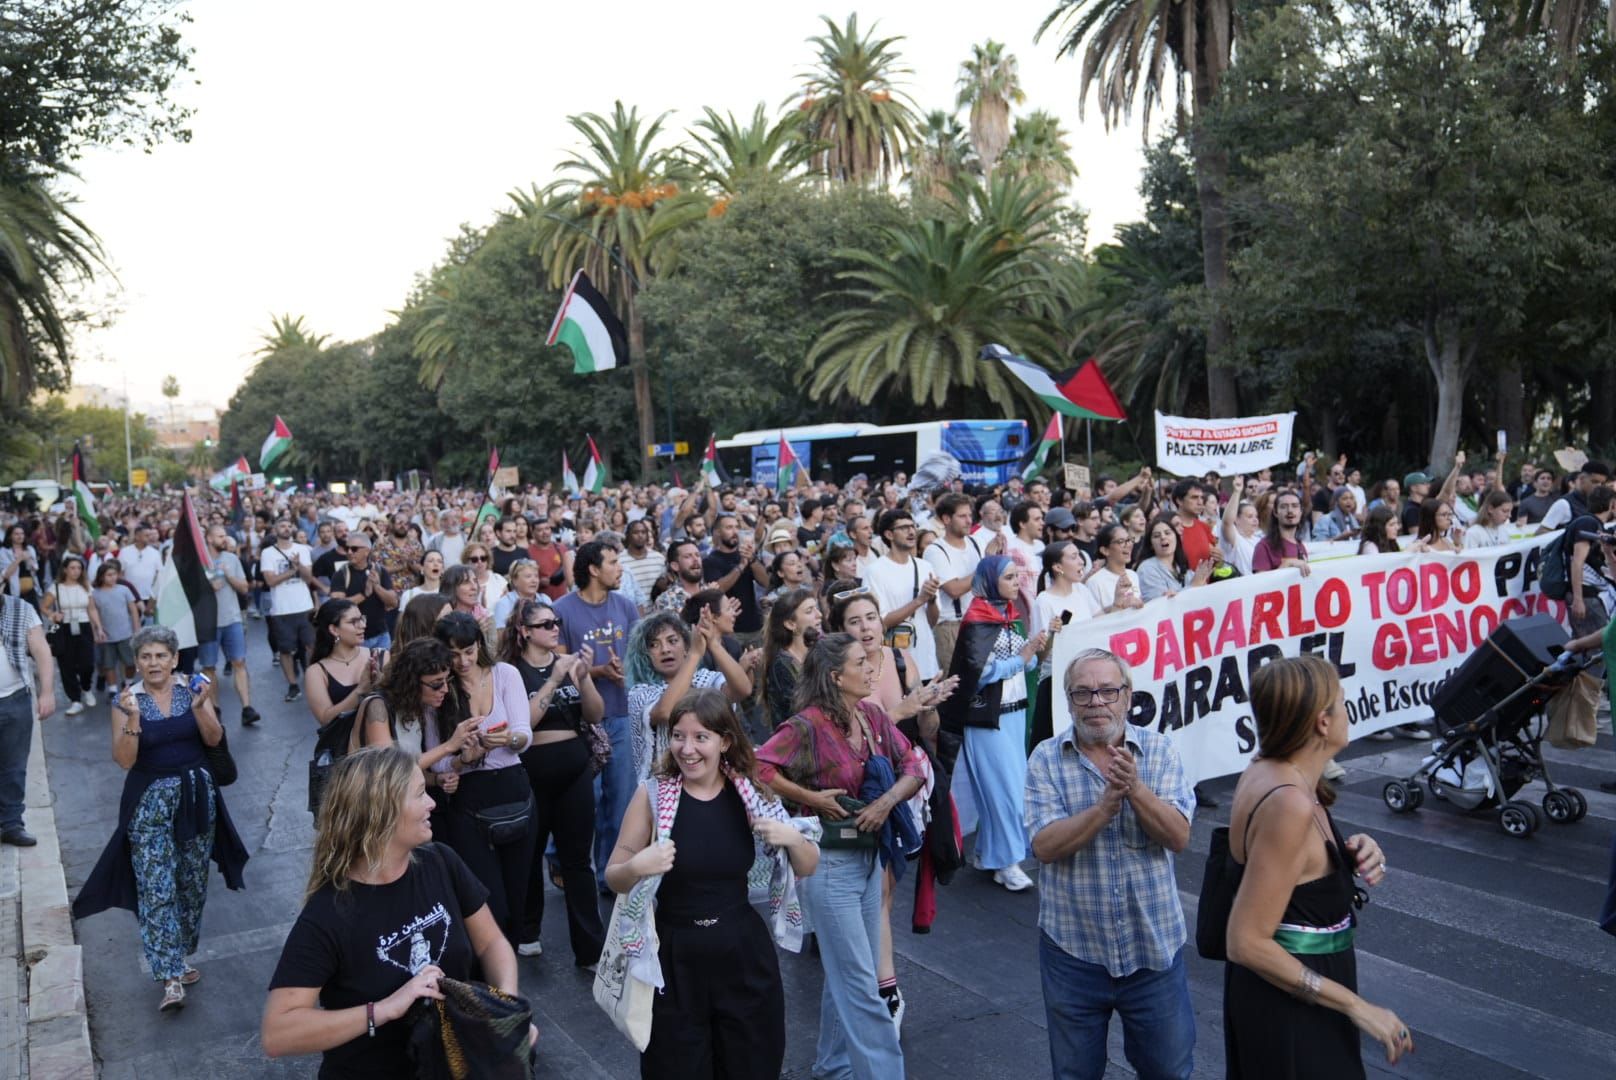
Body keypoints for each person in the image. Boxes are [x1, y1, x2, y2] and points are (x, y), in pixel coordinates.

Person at [262, 747, 533, 1076]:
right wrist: (385, 1009)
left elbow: (491, 943)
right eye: (420, 794)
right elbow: (278, 1033)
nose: (432, 803)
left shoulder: (441, 862)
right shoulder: (329, 913)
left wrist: (502, 1016)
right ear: (382, 811)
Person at [608, 687, 819, 1080]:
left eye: (700, 737)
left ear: (725, 741)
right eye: (678, 736)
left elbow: (808, 865)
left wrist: (792, 838)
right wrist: (637, 865)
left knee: (752, 1067)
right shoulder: (651, 795)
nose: (687, 749)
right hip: (674, 959)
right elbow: (614, 875)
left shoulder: (750, 793)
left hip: (742, 954)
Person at [1224, 655, 1408, 1076]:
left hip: (1288, 996)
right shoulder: (1289, 802)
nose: (1348, 708)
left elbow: (1286, 864)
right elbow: (1245, 941)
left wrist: (1344, 853)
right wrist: (1357, 1006)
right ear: (1323, 722)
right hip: (1290, 1005)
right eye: (1341, 700)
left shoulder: (1272, 770)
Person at [757, 634, 925, 1080]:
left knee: (850, 974)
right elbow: (759, 767)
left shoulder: (871, 715)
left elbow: (913, 766)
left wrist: (886, 802)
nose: (872, 668)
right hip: (829, 865)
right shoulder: (806, 726)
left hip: (868, 860)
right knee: (861, 986)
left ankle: (833, 1067)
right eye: (861, 662)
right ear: (836, 676)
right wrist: (809, 796)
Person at [1025, 648, 1195, 1080]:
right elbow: (1044, 845)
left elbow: (1178, 837)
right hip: (1074, 952)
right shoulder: (1046, 758)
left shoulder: (1159, 750)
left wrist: (1135, 790)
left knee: (1169, 1072)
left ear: (1128, 696)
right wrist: (1103, 810)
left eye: (1107, 691)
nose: (1096, 702)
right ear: (1068, 701)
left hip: (1153, 951)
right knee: (1075, 1073)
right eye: (1082, 693)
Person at [73, 625, 247, 1011]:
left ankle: (178, 954)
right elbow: (124, 760)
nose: (153, 663)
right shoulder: (124, 701)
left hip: (196, 797)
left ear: (174, 659)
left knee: (190, 883)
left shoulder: (193, 690)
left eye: (160, 656)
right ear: (137, 662)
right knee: (156, 887)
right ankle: (169, 975)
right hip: (148, 803)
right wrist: (134, 719)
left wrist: (201, 708)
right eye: (146, 657)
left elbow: (214, 739)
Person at [501, 597, 606, 966]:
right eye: (545, 624)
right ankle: (527, 932)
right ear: (525, 631)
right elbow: (523, 724)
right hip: (531, 774)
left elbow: (595, 714)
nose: (554, 629)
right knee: (528, 856)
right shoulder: (512, 672)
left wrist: (584, 677)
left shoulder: (568, 663)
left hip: (574, 771)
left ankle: (589, 946)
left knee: (577, 860)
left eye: (556, 622)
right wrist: (555, 679)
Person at [938, 556, 1047, 892]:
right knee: (1006, 792)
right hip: (987, 719)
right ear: (990, 581)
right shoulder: (977, 621)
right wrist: (1021, 658)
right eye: (1009, 577)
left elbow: (1023, 667)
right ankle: (1008, 861)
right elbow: (977, 673)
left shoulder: (1009, 617)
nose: (1017, 583)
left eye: (1017, 576)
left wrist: (1031, 652)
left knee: (1008, 789)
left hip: (1014, 714)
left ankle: (992, 855)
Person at [427, 612, 535, 944]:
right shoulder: (439, 689)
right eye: (453, 654)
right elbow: (437, 761)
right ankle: (491, 966)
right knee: (488, 900)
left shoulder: (505, 674)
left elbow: (523, 735)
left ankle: (509, 963)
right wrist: (464, 759)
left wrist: (509, 740)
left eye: (469, 651)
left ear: (479, 646)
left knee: (518, 895)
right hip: (469, 799)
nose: (462, 662)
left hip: (512, 789)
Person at [554, 540, 641, 895]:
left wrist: (626, 670)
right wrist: (598, 671)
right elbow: (557, 666)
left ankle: (611, 876)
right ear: (593, 569)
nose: (620, 569)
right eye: (613, 562)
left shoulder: (626, 606)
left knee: (620, 802)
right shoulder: (561, 609)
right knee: (584, 804)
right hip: (580, 720)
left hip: (622, 713)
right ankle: (574, 869)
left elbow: (639, 655)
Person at [624, 610, 751, 780]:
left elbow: (742, 690)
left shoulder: (703, 679)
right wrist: (694, 654)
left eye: (672, 641)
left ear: (685, 646)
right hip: (665, 784)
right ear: (645, 655)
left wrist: (713, 644)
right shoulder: (639, 692)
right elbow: (666, 712)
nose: (665, 649)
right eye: (654, 645)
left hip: (713, 780)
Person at [1029, 542, 1101, 745]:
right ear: (1058, 567)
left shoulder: (1082, 591)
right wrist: (1053, 634)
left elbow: (1102, 623)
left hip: (1087, 677)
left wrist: (1121, 604)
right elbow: (1038, 656)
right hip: (1056, 683)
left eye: (1079, 556)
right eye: (1073, 557)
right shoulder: (1044, 601)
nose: (1081, 562)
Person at [0, 589, 54, 845]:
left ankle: (11, 824)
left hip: (15, 699)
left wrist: (47, 692)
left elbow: (41, 649)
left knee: (14, 766)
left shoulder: (21, 609)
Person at [865, 509, 942, 682]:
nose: (911, 531)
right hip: (896, 663)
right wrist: (919, 600)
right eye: (904, 528)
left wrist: (931, 600)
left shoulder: (925, 566)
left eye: (912, 526)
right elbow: (880, 622)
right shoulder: (875, 571)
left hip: (926, 661)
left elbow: (932, 621)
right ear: (889, 534)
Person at [924, 492, 989, 676]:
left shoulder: (977, 542)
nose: (969, 521)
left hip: (980, 621)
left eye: (970, 515)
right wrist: (986, 564)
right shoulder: (935, 550)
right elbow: (954, 589)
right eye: (962, 516)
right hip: (951, 625)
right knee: (955, 684)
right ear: (946, 519)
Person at [198, 525, 257, 726]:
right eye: (220, 536)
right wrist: (208, 585)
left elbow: (244, 588)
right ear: (209, 538)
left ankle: (247, 708)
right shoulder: (198, 562)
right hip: (208, 623)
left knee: (239, 662)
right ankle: (215, 709)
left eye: (225, 535)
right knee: (209, 667)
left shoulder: (231, 559)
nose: (225, 539)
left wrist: (228, 575)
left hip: (232, 619)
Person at [261, 518, 319, 703]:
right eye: (282, 526)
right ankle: (293, 685)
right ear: (275, 529)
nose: (286, 529)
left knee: (311, 646)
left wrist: (299, 565)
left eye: (288, 526)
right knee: (286, 651)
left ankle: (314, 680)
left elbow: (308, 578)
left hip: (304, 607)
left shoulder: (302, 549)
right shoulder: (268, 553)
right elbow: (270, 581)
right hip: (281, 610)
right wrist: (292, 571)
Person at [304, 600, 378, 734]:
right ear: (334, 629)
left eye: (362, 619)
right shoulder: (316, 672)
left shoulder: (379, 656)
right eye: (353, 621)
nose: (363, 625)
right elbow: (325, 720)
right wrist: (360, 690)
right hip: (343, 744)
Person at [42, 554, 99, 716]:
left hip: (84, 626)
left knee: (87, 663)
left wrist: (99, 628)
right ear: (65, 570)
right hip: (64, 628)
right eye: (72, 568)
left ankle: (86, 688)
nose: (76, 571)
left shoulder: (86, 586)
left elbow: (92, 609)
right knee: (66, 665)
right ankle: (75, 700)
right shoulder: (56, 587)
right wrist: (52, 615)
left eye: (79, 568)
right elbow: (44, 607)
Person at [702, 513, 768, 645]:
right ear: (718, 532)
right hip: (730, 631)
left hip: (755, 625)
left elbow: (766, 582)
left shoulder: (746, 555)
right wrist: (741, 566)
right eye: (729, 528)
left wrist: (752, 559)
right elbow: (718, 589)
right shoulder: (710, 561)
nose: (735, 532)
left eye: (737, 527)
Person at [761, 587, 821, 728]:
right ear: (790, 624)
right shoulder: (781, 664)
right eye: (809, 611)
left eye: (817, 608)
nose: (819, 615)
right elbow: (802, 712)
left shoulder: (818, 651)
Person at [1132, 515, 1213, 602]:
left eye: (1167, 533)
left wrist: (1201, 583)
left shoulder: (1182, 567)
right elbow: (1157, 605)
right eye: (1156, 536)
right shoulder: (1147, 569)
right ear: (1151, 545)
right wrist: (1193, 586)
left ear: (1176, 539)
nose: (1163, 537)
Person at [92, 562, 140, 697]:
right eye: (109, 575)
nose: (112, 577)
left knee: (130, 662)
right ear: (101, 577)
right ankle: (112, 689)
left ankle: (128, 683)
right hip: (107, 635)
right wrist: (97, 631)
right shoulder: (95, 594)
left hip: (126, 633)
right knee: (108, 664)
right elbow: (94, 614)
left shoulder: (124, 590)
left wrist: (137, 629)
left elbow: (133, 610)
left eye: (114, 574)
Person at [1085, 524, 1145, 613]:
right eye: (1121, 541)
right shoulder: (1094, 583)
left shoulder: (1133, 575)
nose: (1128, 545)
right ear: (1105, 550)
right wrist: (1120, 605)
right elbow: (1094, 618)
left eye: (1129, 540)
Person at [1253, 490, 1311, 575]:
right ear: (1275, 512)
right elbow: (1260, 582)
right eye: (1284, 506)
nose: (1290, 510)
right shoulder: (1264, 546)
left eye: (1295, 506)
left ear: (1301, 512)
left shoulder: (1301, 546)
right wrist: (1286, 564)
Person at [0, 524, 42, 611]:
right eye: (16, 534)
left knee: (35, 615)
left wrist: (29, 559)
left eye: (22, 533)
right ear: (10, 536)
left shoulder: (29, 549)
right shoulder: (4, 551)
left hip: (30, 589)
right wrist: (19, 559)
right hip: (12, 590)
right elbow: (6, 574)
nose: (20, 536)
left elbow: (36, 569)